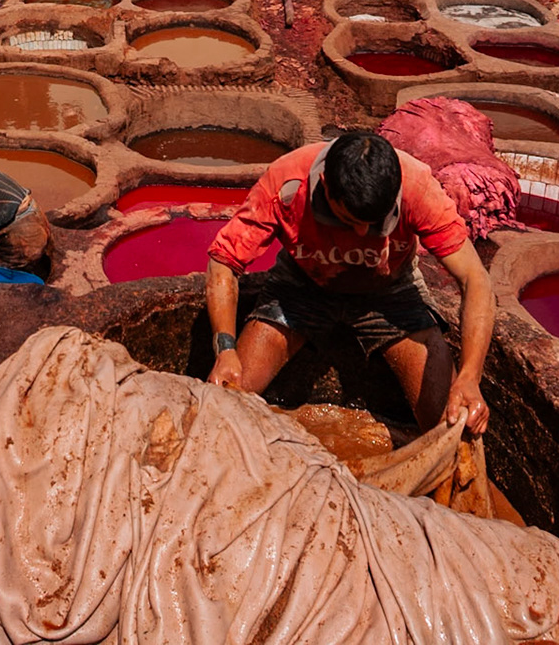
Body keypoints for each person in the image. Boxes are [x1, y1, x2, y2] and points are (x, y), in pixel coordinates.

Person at [204, 131, 494, 437]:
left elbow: (475, 279)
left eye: (374, 222)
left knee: (454, 429)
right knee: (226, 405)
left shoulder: (417, 187)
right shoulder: (288, 181)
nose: (361, 232)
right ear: (326, 188)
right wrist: (225, 348)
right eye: (347, 218)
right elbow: (223, 260)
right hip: (301, 287)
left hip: (390, 292)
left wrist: (469, 376)